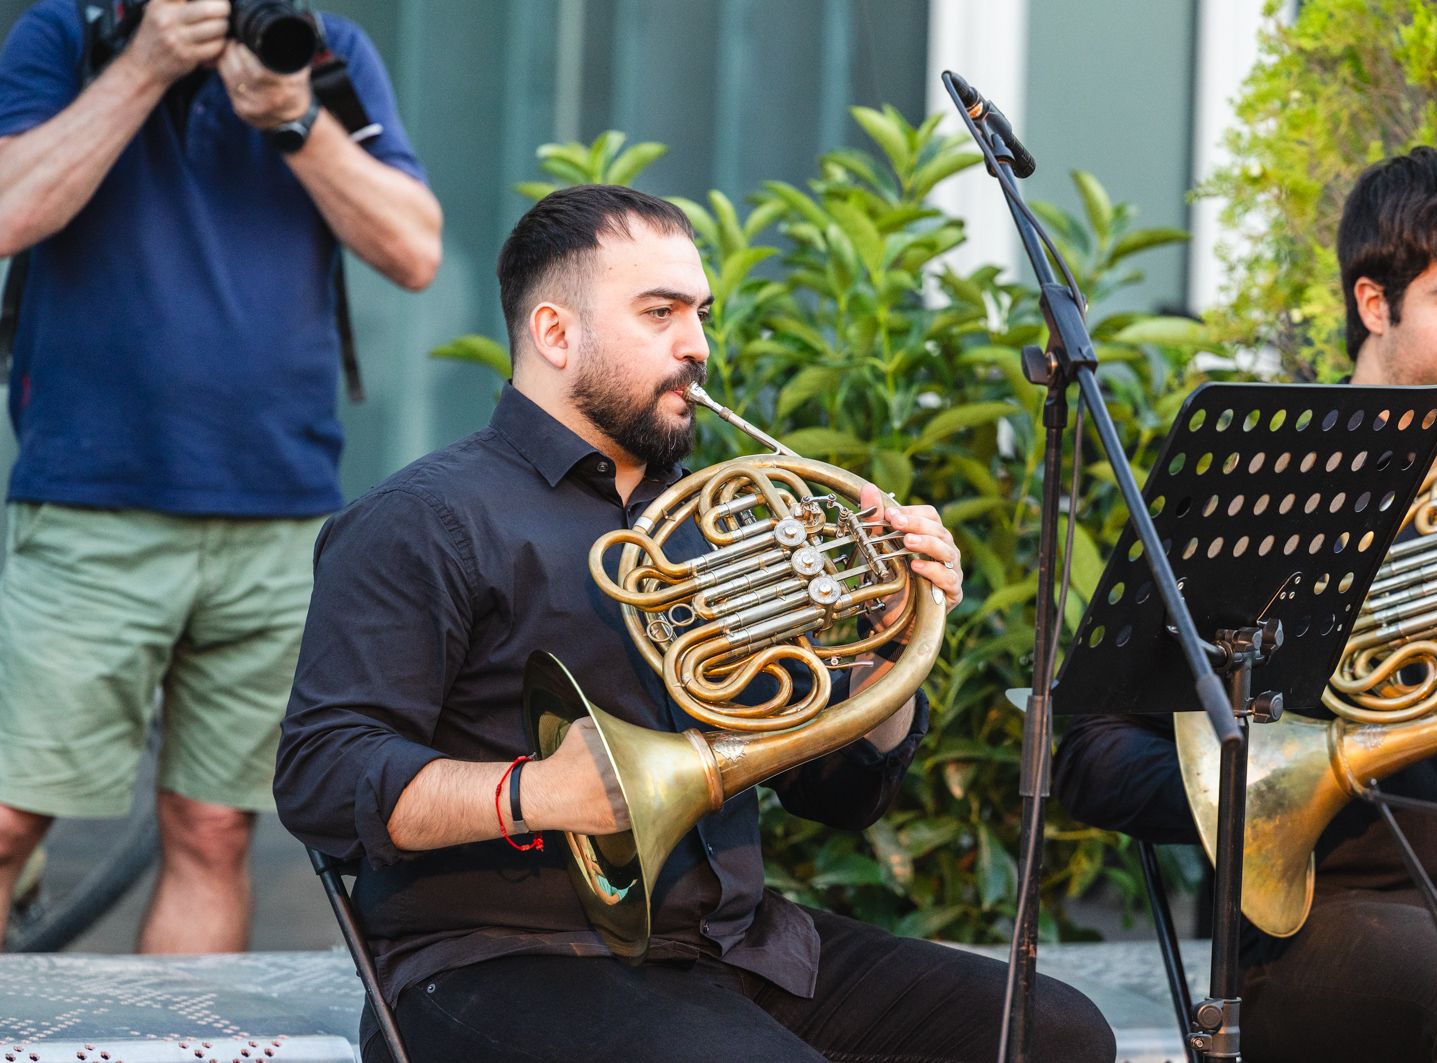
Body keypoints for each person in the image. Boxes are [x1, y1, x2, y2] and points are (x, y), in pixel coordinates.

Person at [274, 184, 1116, 1062]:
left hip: (732, 943)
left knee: (1056, 1035)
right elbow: (322, 775)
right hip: (500, 958)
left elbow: (839, 793)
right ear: (555, 334)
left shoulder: (713, 520)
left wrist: (887, 641)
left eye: (702, 314)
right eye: (660, 313)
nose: (698, 346)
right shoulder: (427, 519)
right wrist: (538, 791)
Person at [1056, 146, 1437, 1063]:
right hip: (1320, 932)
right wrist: (1268, 793)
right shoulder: (1259, 498)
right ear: (1373, 304)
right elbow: (1089, 756)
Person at [0, 0, 441, 952]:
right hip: (90, 504)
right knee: (7, 821)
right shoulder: (63, 37)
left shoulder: (324, 49)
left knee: (212, 827)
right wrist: (145, 68)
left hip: (277, 511)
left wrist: (296, 120)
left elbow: (415, 250)